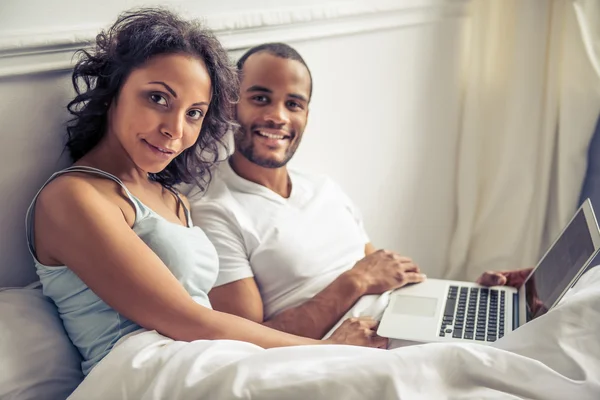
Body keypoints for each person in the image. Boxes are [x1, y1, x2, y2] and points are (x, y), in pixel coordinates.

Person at [25, 9, 387, 377]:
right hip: (144, 375)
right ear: (111, 93)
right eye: (158, 99)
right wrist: (329, 350)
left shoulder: (174, 200)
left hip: (207, 362)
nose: (175, 129)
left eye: (194, 113)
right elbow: (189, 320)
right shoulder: (72, 197)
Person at [188, 43, 532, 340]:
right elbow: (245, 341)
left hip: (401, 326)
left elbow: (386, 275)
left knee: (550, 312)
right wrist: (354, 281)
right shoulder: (215, 210)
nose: (278, 116)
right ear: (231, 106)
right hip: (360, 348)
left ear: (306, 114)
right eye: (261, 98)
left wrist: (467, 299)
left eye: (294, 104)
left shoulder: (324, 188)